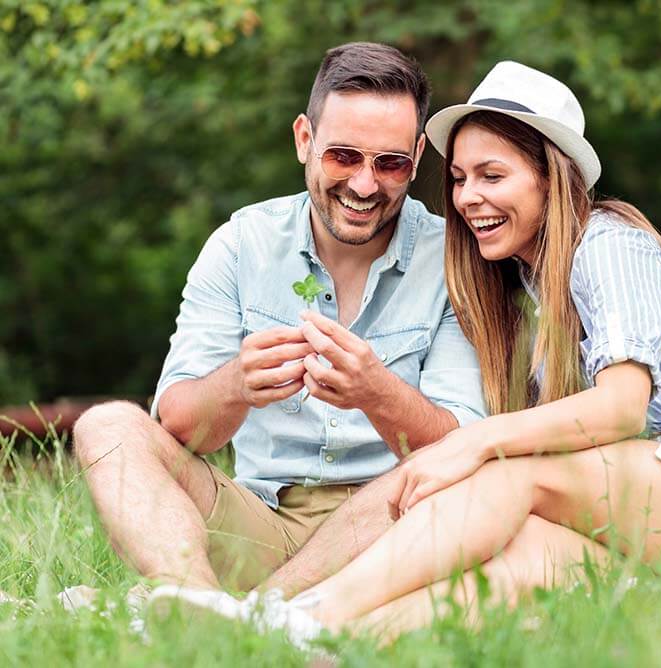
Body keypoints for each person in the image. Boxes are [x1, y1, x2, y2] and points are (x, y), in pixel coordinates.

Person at [272, 60, 661, 639]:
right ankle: (312, 639)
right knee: (522, 557)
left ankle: (306, 611)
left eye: (492, 176)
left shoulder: (608, 243)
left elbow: (622, 407)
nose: (469, 197)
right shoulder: (528, 287)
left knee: (510, 474)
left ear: (551, 177)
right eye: (459, 178)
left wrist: (474, 442)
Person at [71, 42, 486, 599]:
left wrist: (376, 391)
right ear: (304, 140)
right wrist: (237, 386)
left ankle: (256, 615)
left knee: (460, 491)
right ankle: (196, 602)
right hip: (261, 519)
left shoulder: (454, 260)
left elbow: (463, 449)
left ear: (415, 157)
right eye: (343, 156)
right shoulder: (241, 244)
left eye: (390, 164)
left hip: (391, 528)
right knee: (107, 427)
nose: (365, 186)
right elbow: (179, 427)